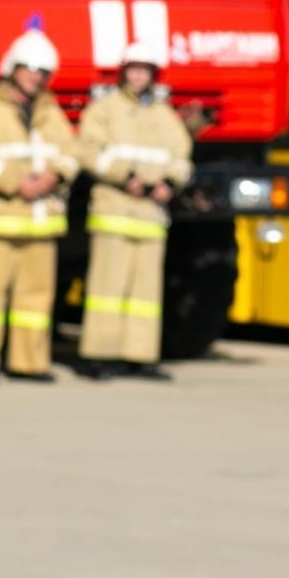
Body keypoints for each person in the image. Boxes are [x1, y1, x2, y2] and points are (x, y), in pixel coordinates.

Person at [0, 28, 78, 383]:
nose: (36, 76)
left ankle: (29, 362)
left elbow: (71, 153)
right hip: (2, 217)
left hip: (42, 220)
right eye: (29, 68)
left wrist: (54, 177)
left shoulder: (49, 110)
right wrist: (17, 183)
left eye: (43, 71)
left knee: (36, 300)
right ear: (12, 67)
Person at [76, 41, 193, 381]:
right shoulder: (105, 109)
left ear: (154, 75)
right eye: (133, 69)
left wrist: (169, 184)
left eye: (145, 70)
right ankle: (100, 354)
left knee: (145, 294)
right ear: (124, 72)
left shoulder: (164, 116)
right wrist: (126, 177)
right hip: (115, 209)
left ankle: (141, 355)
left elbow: (181, 158)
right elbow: (89, 151)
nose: (139, 75)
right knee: (106, 290)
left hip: (150, 216)